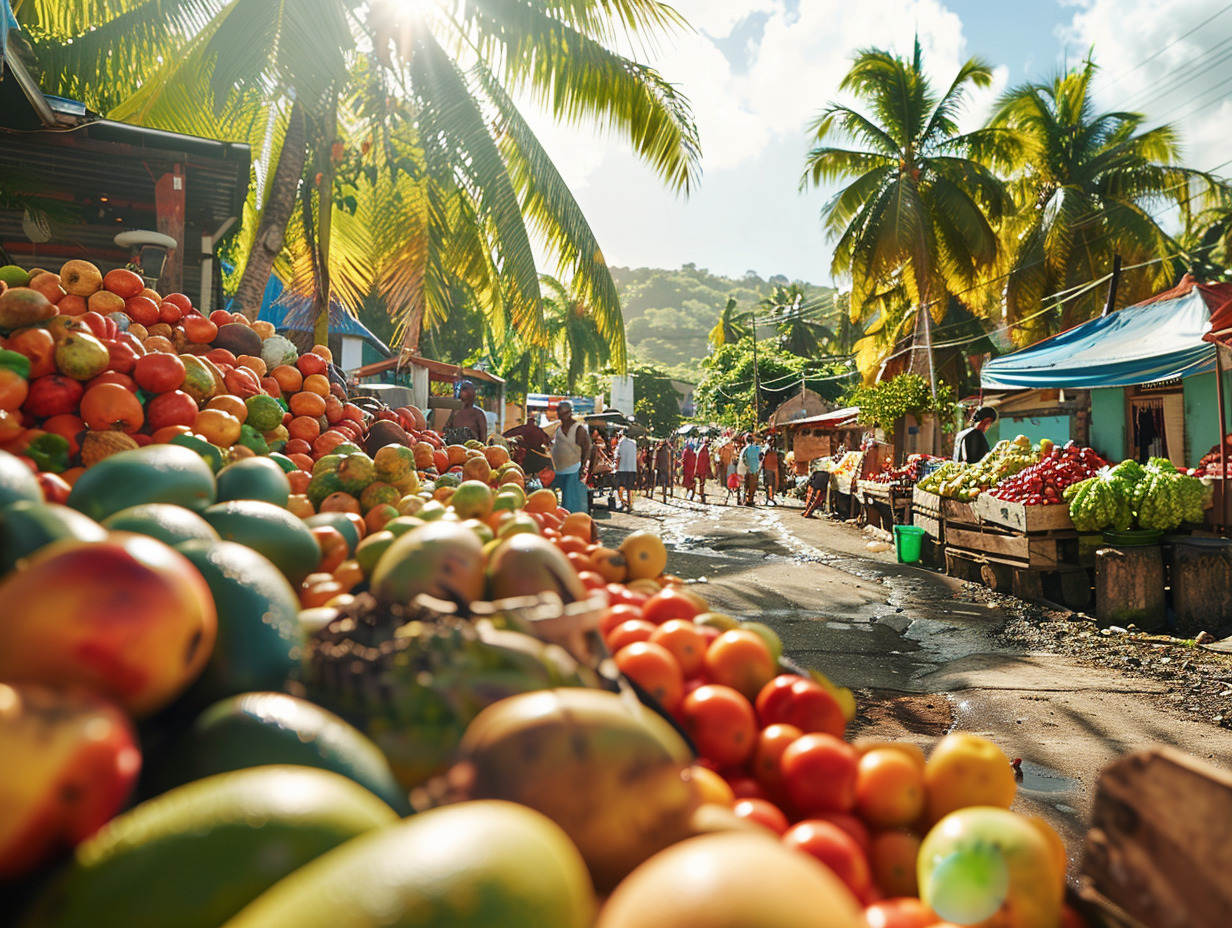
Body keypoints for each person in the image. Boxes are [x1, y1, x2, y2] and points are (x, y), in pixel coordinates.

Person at [549, 401, 591, 513]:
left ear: (569, 413)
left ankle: (572, 521)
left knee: (570, 501)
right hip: (558, 469)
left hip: (573, 468)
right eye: (559, 414)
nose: (561, 417)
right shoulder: (558, 429)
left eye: (563, 414)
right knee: (555, 498)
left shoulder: (578, 429)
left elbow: (587, 448)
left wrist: (583, 466)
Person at [614, 429, 638, 513]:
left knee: (620, 486)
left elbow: (616, 455)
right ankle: (630, 504)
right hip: (632, 468)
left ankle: (623, 502)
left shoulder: (620, 442)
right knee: (629, 488)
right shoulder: (634, 443)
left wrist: (615, 464)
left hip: (622, 468)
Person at [742, 433, 762, 507]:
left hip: (747, 469)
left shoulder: (745, 449)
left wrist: (746, 466)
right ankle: (750, 499)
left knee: (747, 485)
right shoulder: (757, 448)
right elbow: (760, 457)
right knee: (753, 485)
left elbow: (743, 459)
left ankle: (747, 499)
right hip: (755, 469)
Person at [694, 439, 713, 504]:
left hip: (701, 468)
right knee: (701, 483)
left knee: (701, 483)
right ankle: (701, 496)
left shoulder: (701, 449)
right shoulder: (704, 450)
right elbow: (705, 460)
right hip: (701, 468)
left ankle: (701, 495)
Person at [762, 439, 779, 507]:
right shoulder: (773, 451)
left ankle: (770, 498)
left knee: (769, 484)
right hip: (772, 468)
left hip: (769, 468)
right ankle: (771, 498)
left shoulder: (766, 450)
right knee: (771, 484)